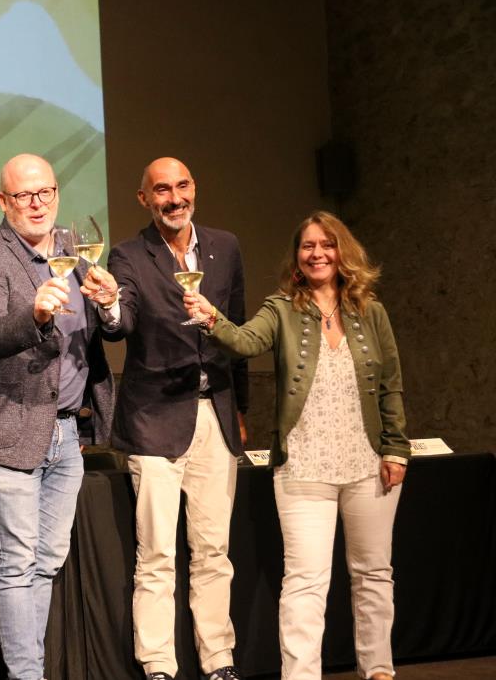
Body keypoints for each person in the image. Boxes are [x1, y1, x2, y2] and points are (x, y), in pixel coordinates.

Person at [185, 211, 409, 680]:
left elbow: (391, 385)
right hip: (303, 468)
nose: (317, 253)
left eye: (326, 244)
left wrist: (396, 449)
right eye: (308, 246)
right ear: (297, 256)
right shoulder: (282, 307)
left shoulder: (372, 312)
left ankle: (379, 670)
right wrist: (211, 318)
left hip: (367, 464)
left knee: (373, 575)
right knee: (306, 582)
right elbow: (245, 342)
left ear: (342, 251)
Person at [0, 153, 119, 680]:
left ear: (56, 194)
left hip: (69, 432)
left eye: (44, 193)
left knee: (48, 561)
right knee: (16, 564)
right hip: (14, 427)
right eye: (23, 196)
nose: (36, 204)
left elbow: (110, 330)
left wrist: (111, 304)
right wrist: (33, 314)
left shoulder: (77, 252)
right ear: (4, 202)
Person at [106, 157, 248, 680]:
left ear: (195, 189)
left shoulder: (225, 246)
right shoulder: (128, 254)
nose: (173, 197)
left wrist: (243, 411)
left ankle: (219, 662)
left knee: (214, 550)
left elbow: (237, 331)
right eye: (161, 189)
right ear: (144, 198)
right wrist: (107, 308)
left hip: (217, 413)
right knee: (158, 554)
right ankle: (158, 665)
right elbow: (121, 323)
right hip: (155, 419)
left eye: (182, 185)